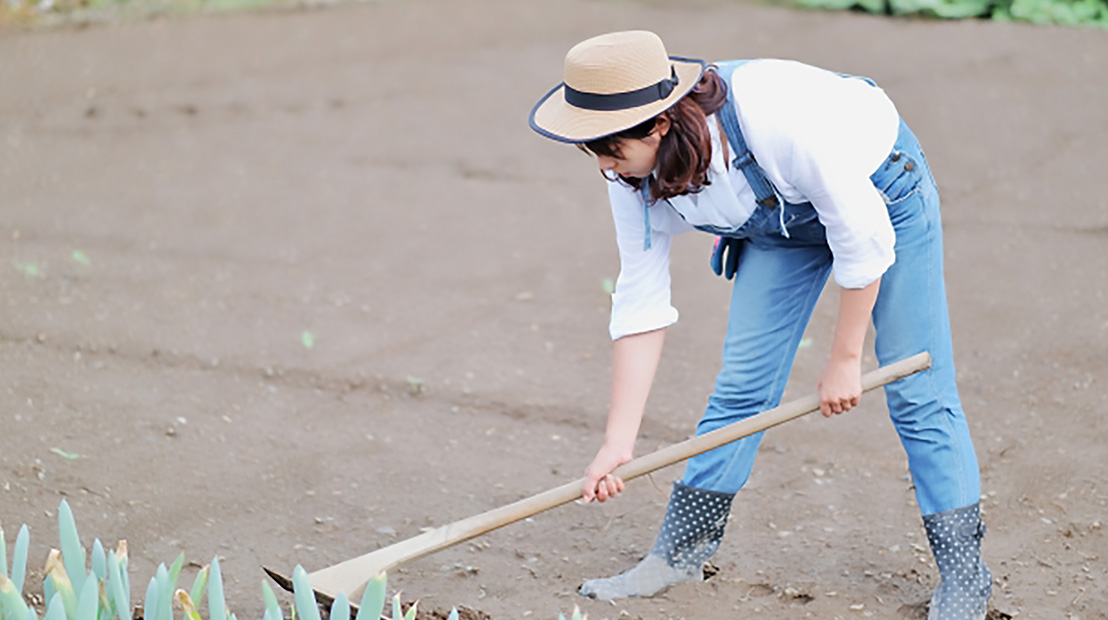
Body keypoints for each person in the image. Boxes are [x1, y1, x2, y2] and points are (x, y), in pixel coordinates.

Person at [527, 30, 991, 620]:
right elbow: (641, 298)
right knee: (742, 387)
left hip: (879, 191)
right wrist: (619, 441)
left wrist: (845, 359)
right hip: (778, 226)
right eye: (590, 151)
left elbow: (862, 243)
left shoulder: (780, 118)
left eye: (610, 150)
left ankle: (964, 578)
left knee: (915, 386)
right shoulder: (627, 174)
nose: (603, 167)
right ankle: (678, 554)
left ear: (659, 125)